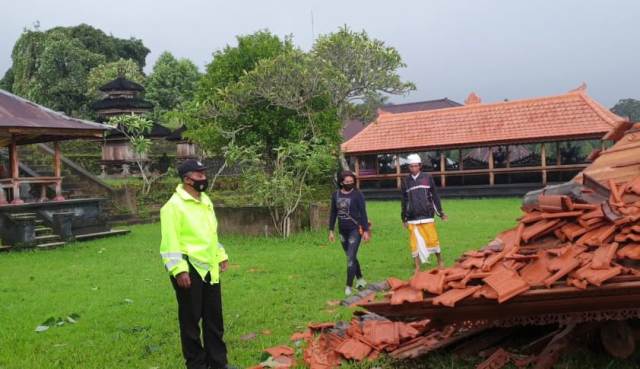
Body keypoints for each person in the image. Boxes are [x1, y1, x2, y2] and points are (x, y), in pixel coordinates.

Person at [160, 159, 235, 369]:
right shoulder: (173, 207)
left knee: (214, 320)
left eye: (204, 174)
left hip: (209, 267)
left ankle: (218, 363)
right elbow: (170, 241)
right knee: (191, 321)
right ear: (187, 179)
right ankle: (197, 364)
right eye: (199, 175)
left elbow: (211, 232)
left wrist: (221, 254)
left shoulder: (205, 201)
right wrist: (178, 270)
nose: (204, 178)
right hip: (189, 268)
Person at [401, 154, 448, 271]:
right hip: (412, 217)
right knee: (414, 243)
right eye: (411, 166)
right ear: (408, 167)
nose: (413, 169)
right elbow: (404, 200)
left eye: (415, 166)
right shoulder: (405, 181)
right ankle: (417, 266)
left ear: (420, 166)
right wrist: (404, 218)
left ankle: (439, 260)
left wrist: (440, 213)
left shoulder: (427, 177)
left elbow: (434, 196)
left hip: (427, 214)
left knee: (433, 239)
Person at [328, 170, 371, 296]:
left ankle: (348, 286)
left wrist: (366, 231)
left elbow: (363, 213)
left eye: (352, 182)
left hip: (355, 230)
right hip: (342, 230)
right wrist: (331, 230)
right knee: (350, 256)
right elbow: (333, 213)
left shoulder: (358, 195)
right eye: (347, 182)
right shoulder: (335, 195)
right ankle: (360, 279)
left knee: (350, 258)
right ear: (341, 183)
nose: (350, 184)